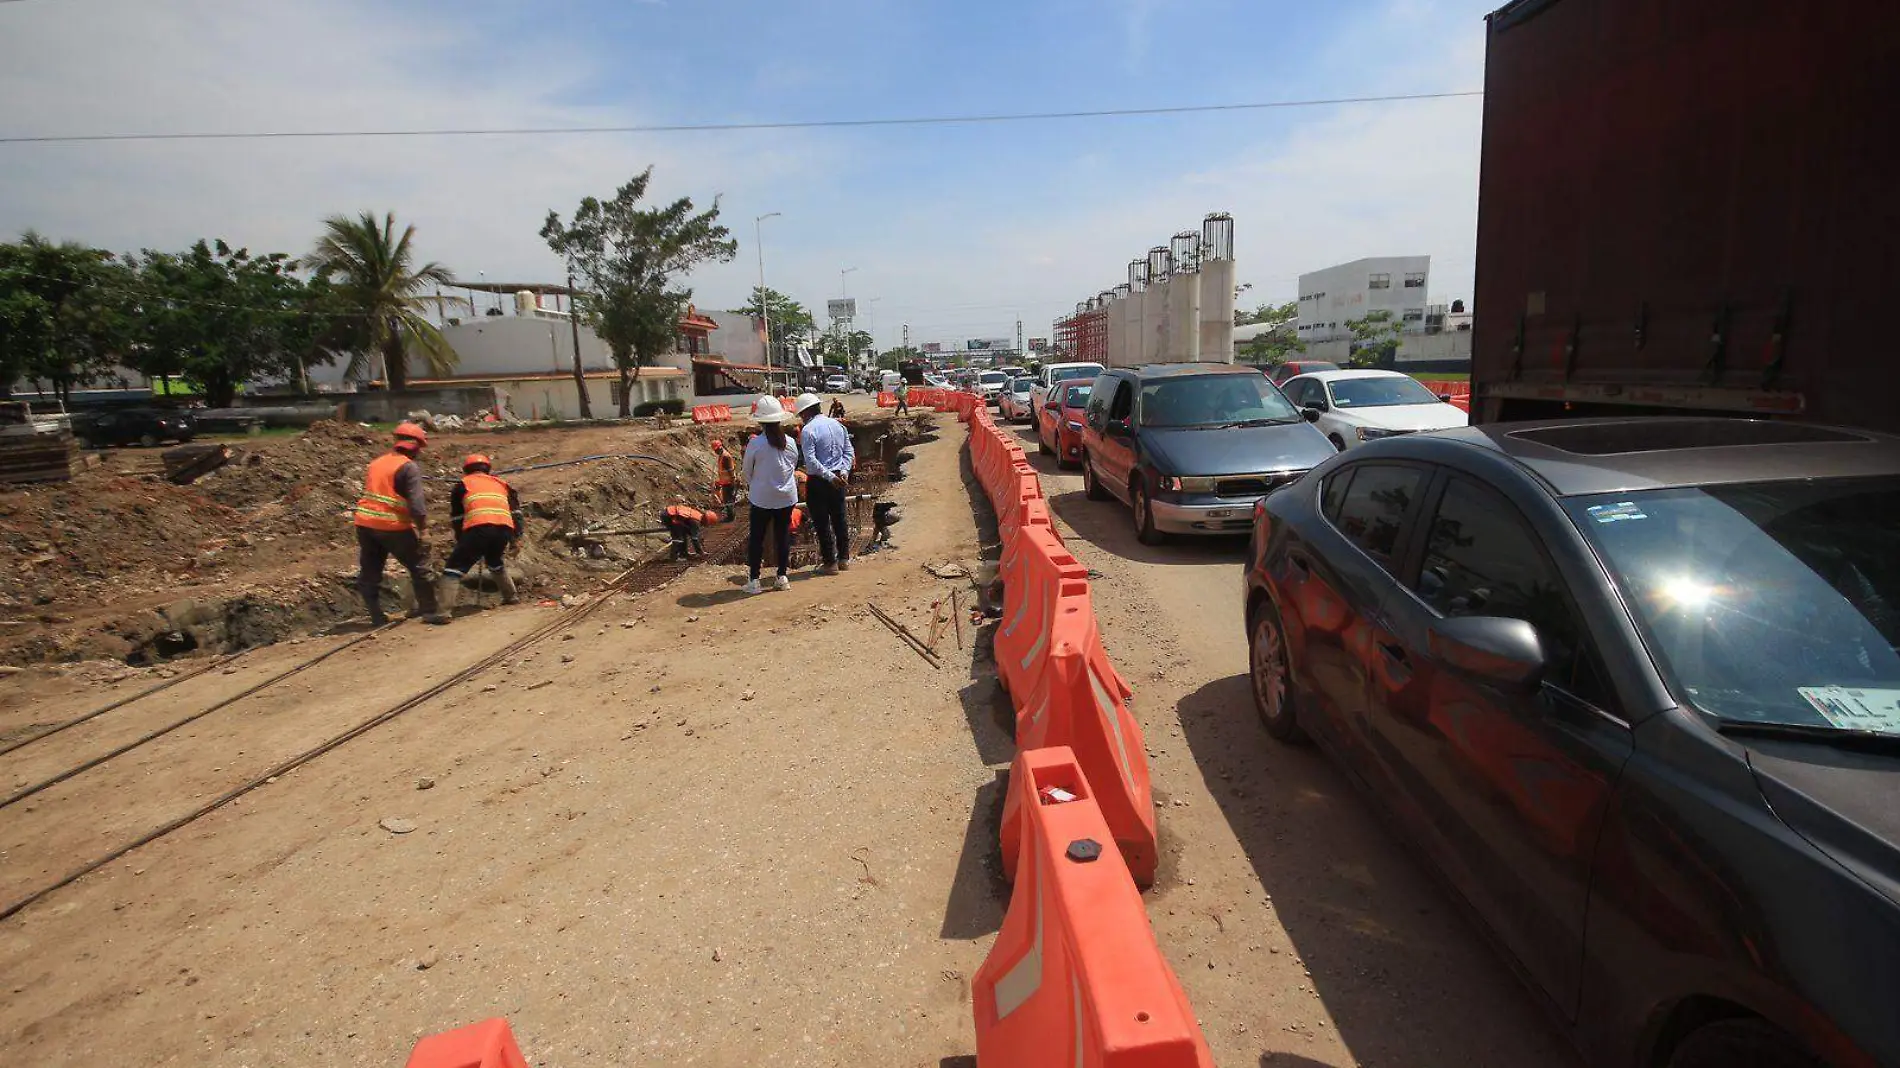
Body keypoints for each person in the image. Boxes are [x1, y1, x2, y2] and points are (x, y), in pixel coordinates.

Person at [352, 422, 446, 626]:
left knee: (371, 569)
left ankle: (376, 616)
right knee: (419, 564)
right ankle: (428, 610)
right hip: (392, 526)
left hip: (365, 523)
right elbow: (417, 505)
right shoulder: (408, 466)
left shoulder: (377, 463)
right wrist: (424, 531)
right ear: (416, 447)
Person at [438, 453, 524, 615]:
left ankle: (442, 612)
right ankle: (511, 596)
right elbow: (516, 514)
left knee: (453, 569)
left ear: (466, 470)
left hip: (478, 529)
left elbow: (457, 518)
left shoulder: (462, 485)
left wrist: (461, 540)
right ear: (488, 469)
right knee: (494, 561)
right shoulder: (502, 484)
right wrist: (516, 539)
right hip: (504, 528)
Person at [742, 396, 801, 594]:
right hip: (786, 497)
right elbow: (792, 465)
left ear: (760, 420)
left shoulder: (755, 444)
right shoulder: (790, 442)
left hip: (762, 499)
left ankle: (754, 580)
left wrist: (759, 485)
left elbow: (747, 472)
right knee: (782, 536)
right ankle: (782, 577)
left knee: (757, 538)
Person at [796, 392, 855, 575]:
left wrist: (830, 477)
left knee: (822, 522)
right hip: (838, 477)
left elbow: (811, 461)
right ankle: (844, 558)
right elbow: (848, 451)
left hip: (820, 481)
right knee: (839, 519)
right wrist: (843, 473)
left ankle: (830, 563)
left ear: (805, 412)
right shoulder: (837, 425)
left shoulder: (808, 430)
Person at [660, 502, 730, 560]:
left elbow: (691, 532)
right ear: (707, 521)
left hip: (671, 514)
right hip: (669, 515)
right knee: (678, 538)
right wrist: (700, 552)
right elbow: (694, 539)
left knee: (683, 533)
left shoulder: (698, 516)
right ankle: (673, 557)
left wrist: (697, 536)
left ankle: (684, 554)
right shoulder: (695, 522)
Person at [711, 438, 737, 506]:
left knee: (729, 504)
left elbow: (731, 471)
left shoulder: (725, 457)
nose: (715, 452)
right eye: (715, 450)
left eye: (716, 450)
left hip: (729, 484)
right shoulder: (721, 455)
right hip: (725, 483)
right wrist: (720, 481)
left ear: (720, 447)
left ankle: (731, 516)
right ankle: (729, 515)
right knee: (727, 502)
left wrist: (733, 484)